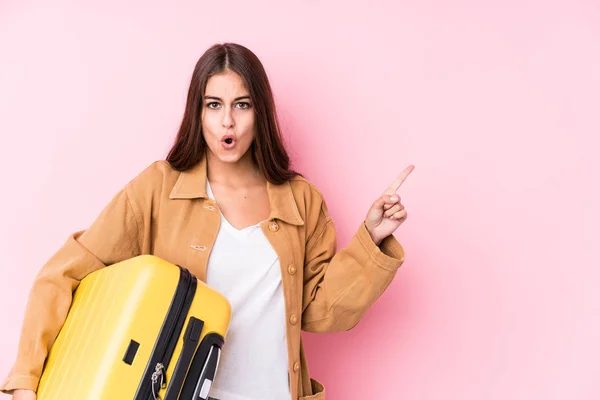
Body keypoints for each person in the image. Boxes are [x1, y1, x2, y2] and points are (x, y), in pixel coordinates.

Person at [2, 42, 414, 400]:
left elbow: (321, 312)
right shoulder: (159, 189)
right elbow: (64, 273)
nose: (227, 122)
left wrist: (370, 241)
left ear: (261, 112)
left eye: (242, 105)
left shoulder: (301, 200)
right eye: (214, 105)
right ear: (197, 113)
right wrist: (27, 382)